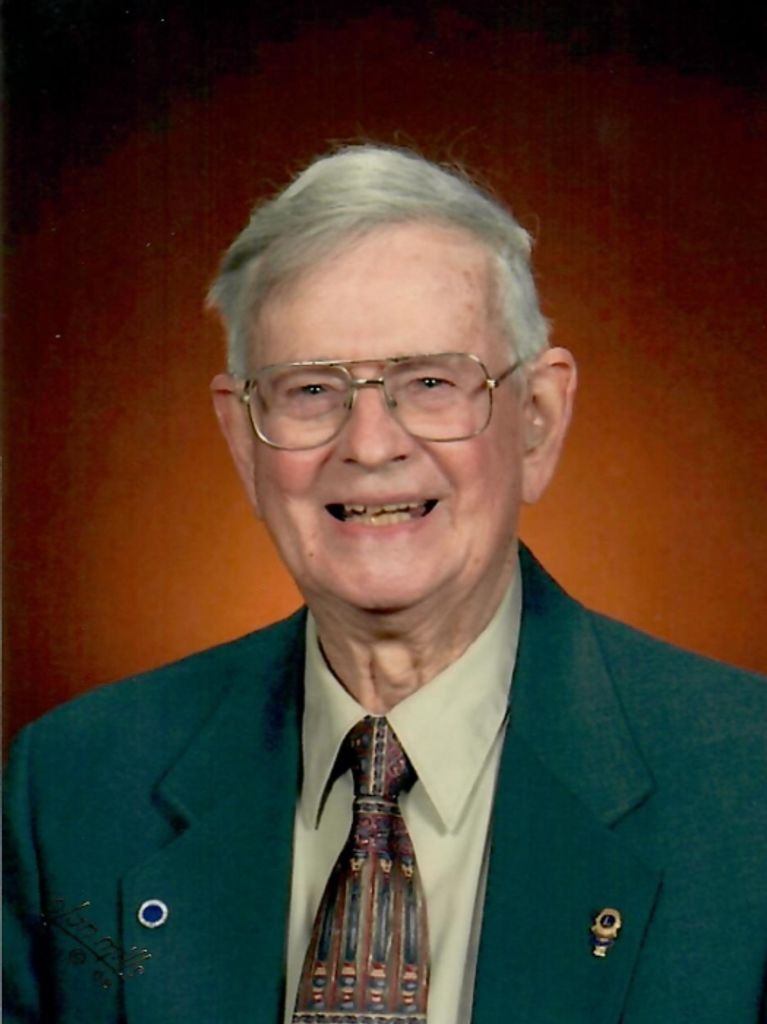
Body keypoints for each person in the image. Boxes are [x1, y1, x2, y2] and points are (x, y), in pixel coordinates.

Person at [4, 144, 766, 1024]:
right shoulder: (75, 784)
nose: (369, 446)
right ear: (243, 439)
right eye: (310, 390)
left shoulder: (746, 788)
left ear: (538, 419)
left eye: (430, 381)